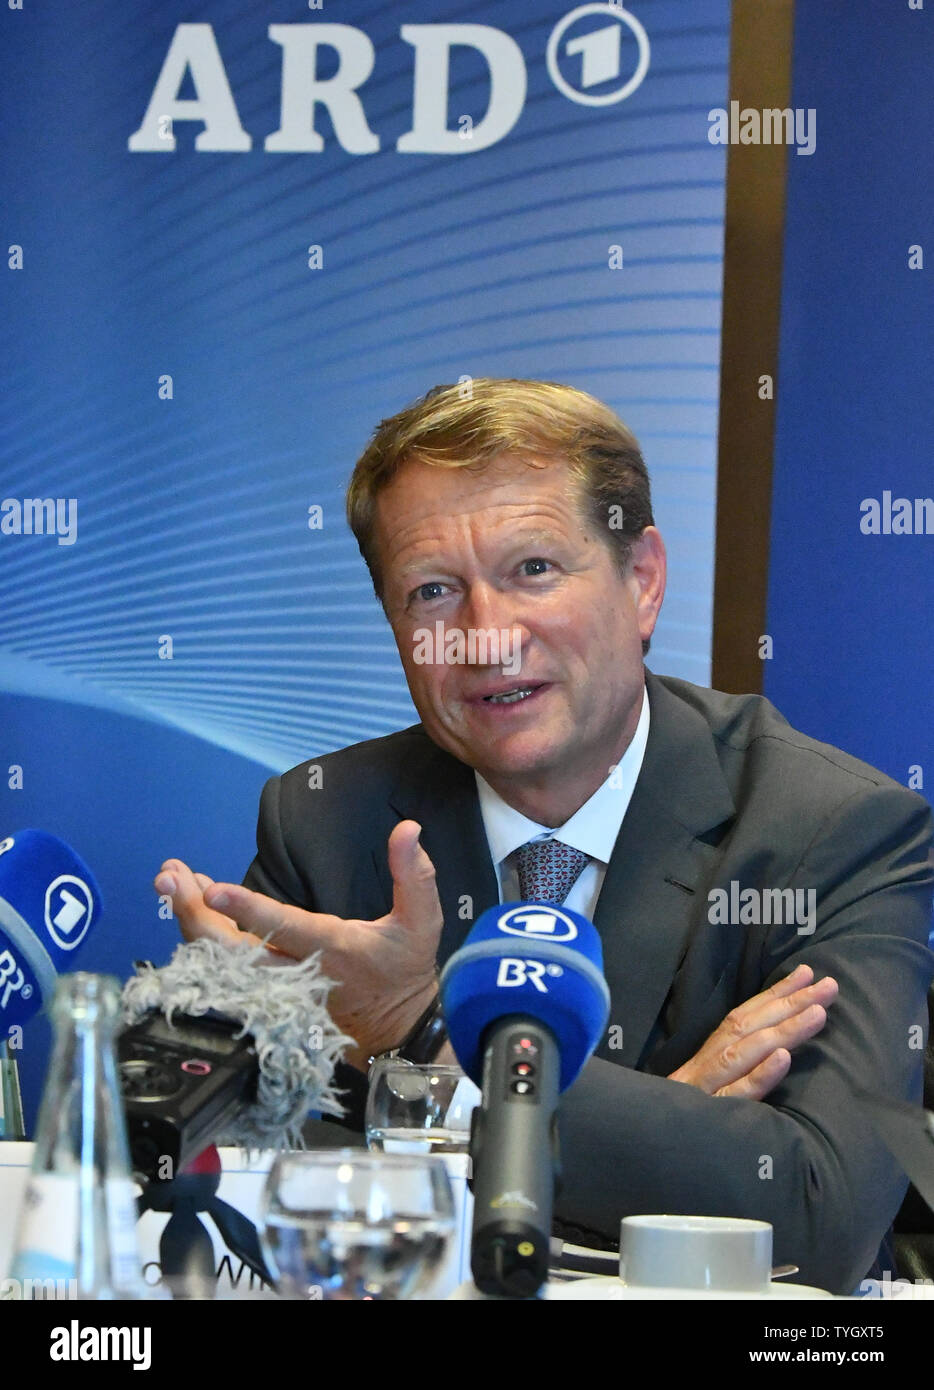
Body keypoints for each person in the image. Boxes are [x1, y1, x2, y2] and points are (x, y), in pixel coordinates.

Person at [154, 378, 934, 1294]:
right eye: (433, 592)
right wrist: (662, 1120)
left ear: (641, 582)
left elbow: (822, 1211)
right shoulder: (325, 821)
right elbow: (245, 1196)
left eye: (533, 570)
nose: (485, 639)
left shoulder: (832, 832)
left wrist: (426, 1037)